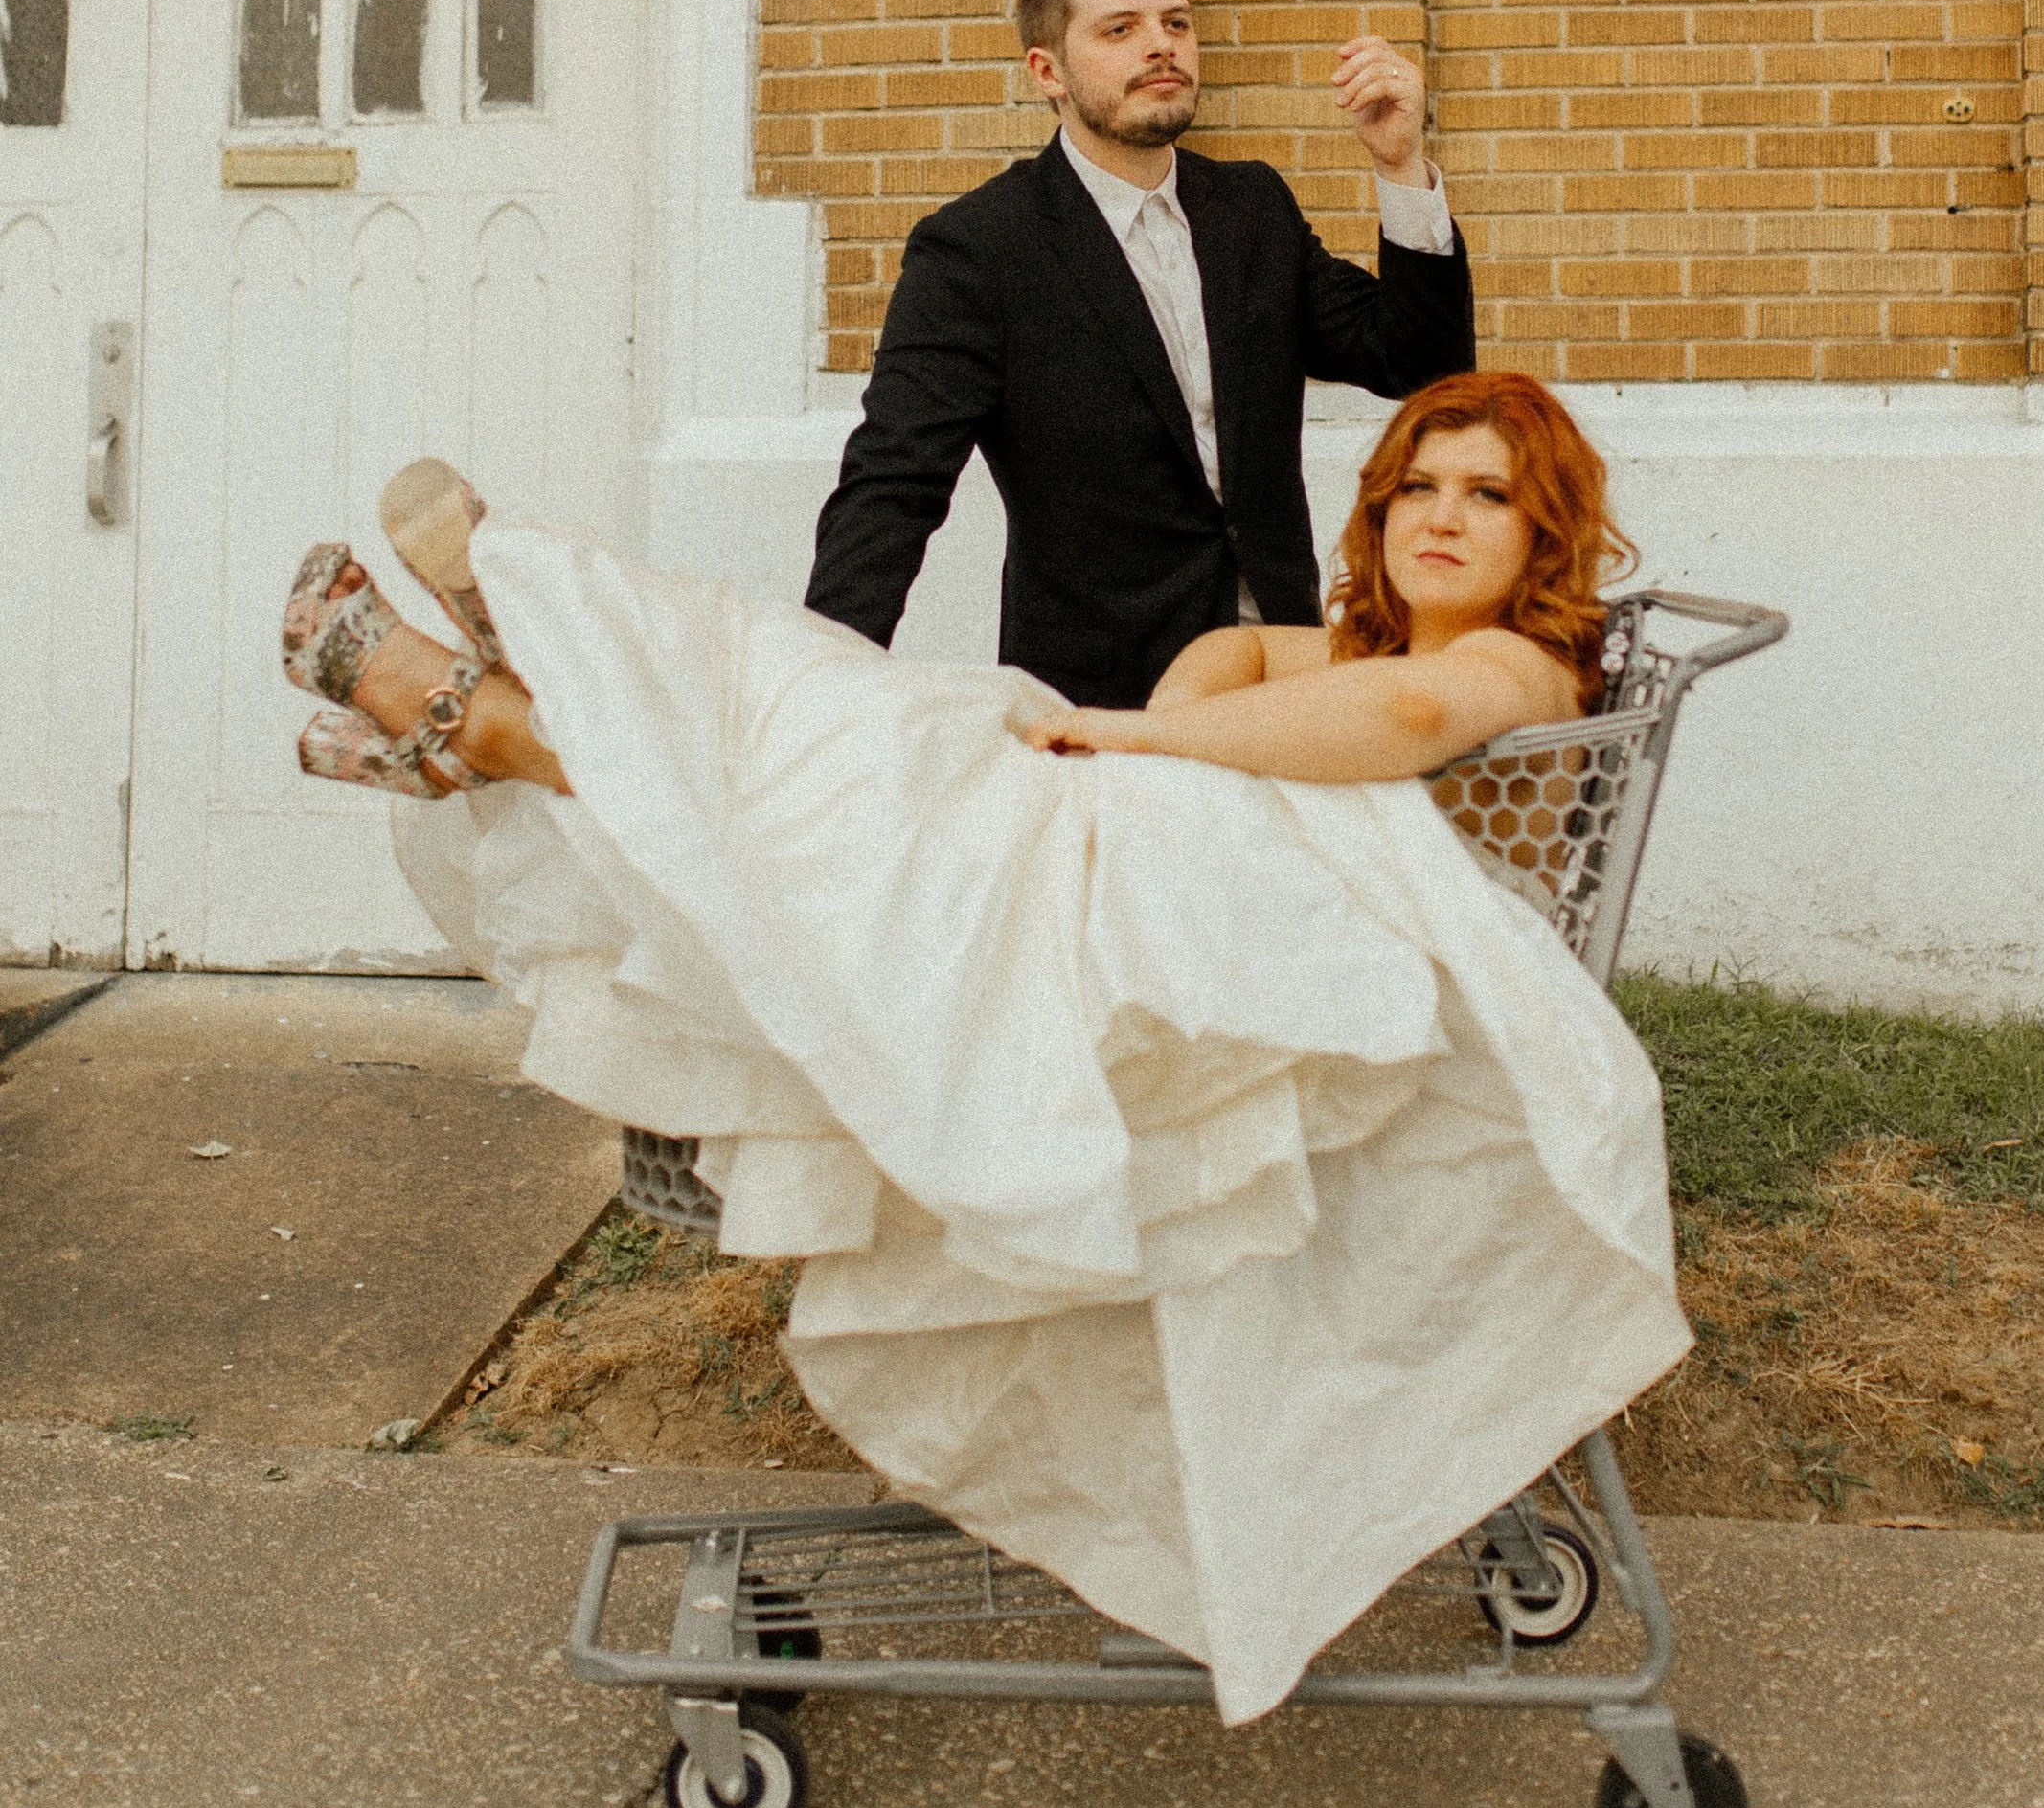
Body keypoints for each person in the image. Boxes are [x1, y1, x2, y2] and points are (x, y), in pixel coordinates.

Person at [281, 373, 1685, 1725]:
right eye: (1417, 488)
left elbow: (1416, 721)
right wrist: (1177, 735)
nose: (1441, 516)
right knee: (895, 742)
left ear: (1545, 532)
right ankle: (546, 690)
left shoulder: (1517, 665)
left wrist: (1135, 739)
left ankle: (524, 711)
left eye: (1488, 495)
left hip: (1345, 973)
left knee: (878, 810)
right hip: (1209, 893)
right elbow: (1255, 652)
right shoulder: (1384, 648)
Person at [801, 0, 1478, 710]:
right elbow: (894, 486)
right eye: (1119, 29)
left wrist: (1399, 165)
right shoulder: (979, 250)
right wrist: (818, 686)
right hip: (1102, 702)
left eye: (1175, 22)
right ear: (1047, 71)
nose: (1161, 45)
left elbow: (1422, 367)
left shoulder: (1251, 210)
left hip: (1278, 681)